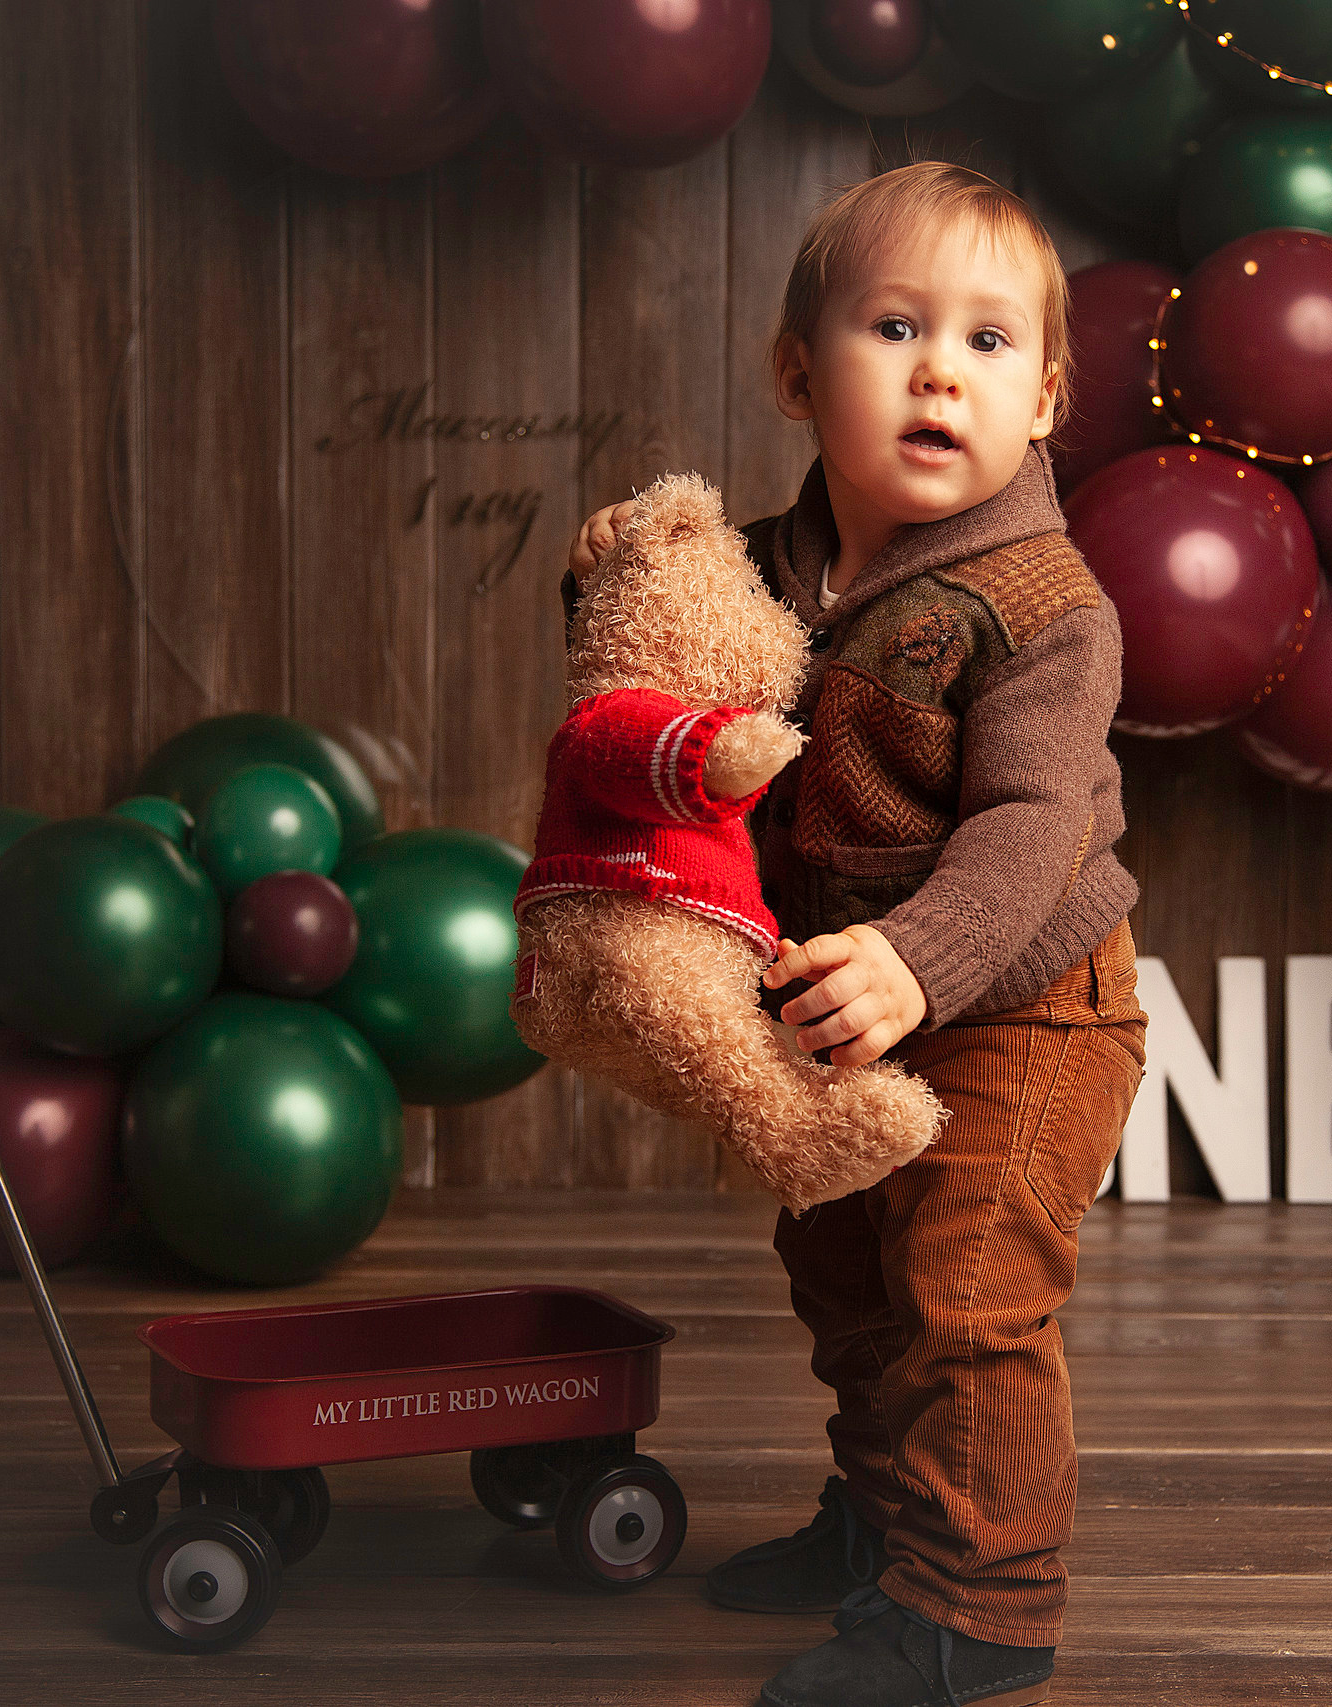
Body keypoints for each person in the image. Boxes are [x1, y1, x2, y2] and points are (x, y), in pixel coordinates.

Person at [568, 161, 1146, 1707]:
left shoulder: (1044, 605)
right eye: (895, 327)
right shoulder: (767, 570)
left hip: (1025, 1006)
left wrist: (921, 962)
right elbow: (674, 679)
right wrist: (619, 582)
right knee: (849, 1276)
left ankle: (978, 1613)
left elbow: (1034, 827)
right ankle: (884, 1530)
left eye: (989, 342)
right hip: (837, 997)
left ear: (1043, 403)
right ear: (796, 370)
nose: (941, 369)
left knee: (967, 1293)